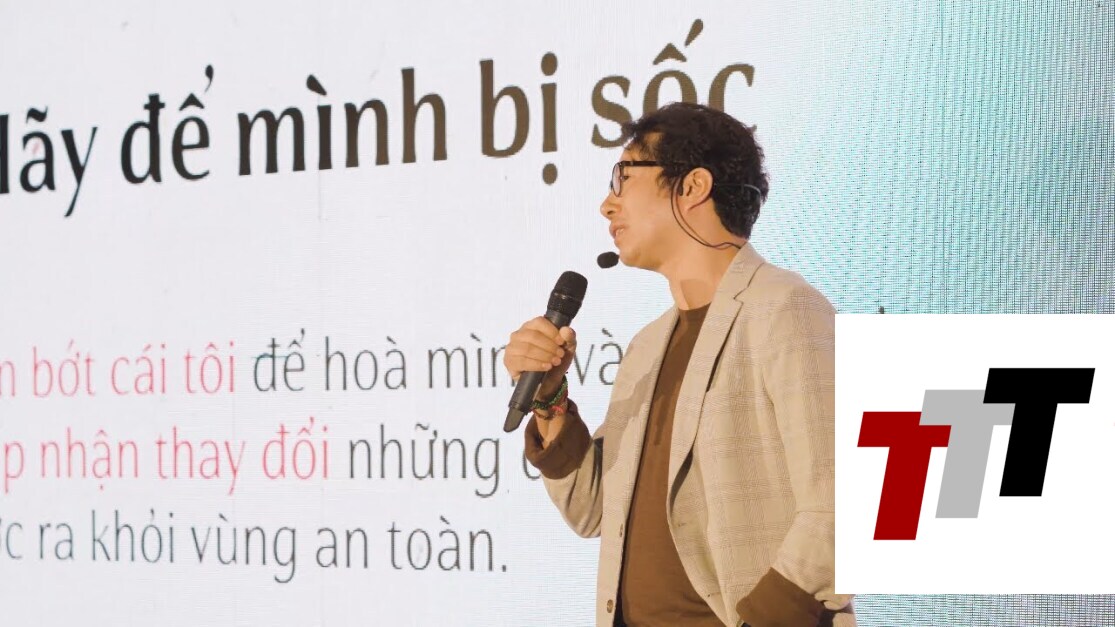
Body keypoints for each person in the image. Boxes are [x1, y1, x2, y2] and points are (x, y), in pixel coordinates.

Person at [503, 102, 854, 627]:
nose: (606, 204)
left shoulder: (784, 308)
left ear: (692, 186)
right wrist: (550, 400)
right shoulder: (647, 345)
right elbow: (593, 510)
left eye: (623, 178)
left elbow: (842, 505)